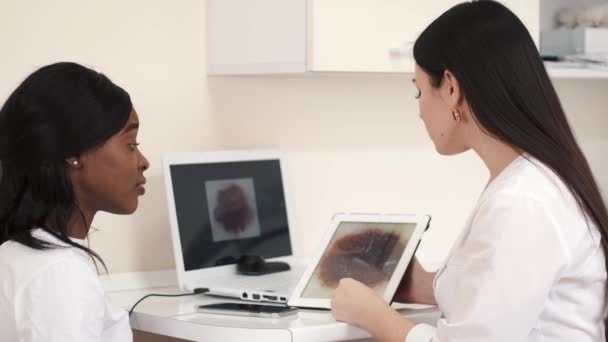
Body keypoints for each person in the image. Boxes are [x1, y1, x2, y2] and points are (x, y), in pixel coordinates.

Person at [330, 1, 608, 341]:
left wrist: (373, 316)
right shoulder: (530, 182)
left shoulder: (522, 201)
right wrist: (423, 287)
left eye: (419, 91)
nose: (419, 111)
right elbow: (509, 295)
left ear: (451, 87)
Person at [0, 62, 149, 341]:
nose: (143, 162)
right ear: (73, 153)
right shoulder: (60, 273)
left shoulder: (14, 253)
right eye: (131, 144)